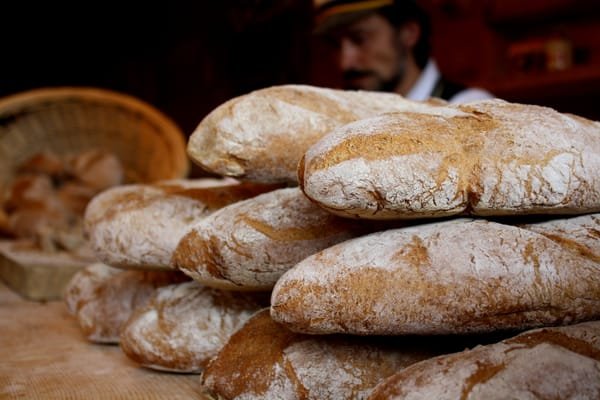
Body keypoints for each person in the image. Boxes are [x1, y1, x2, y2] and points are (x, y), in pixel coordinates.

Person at [312, 0, 494, 103]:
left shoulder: (467, 109)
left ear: (408, 33)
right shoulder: (346, 119)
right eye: (334, 44)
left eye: (360, 38)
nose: (346, 62)